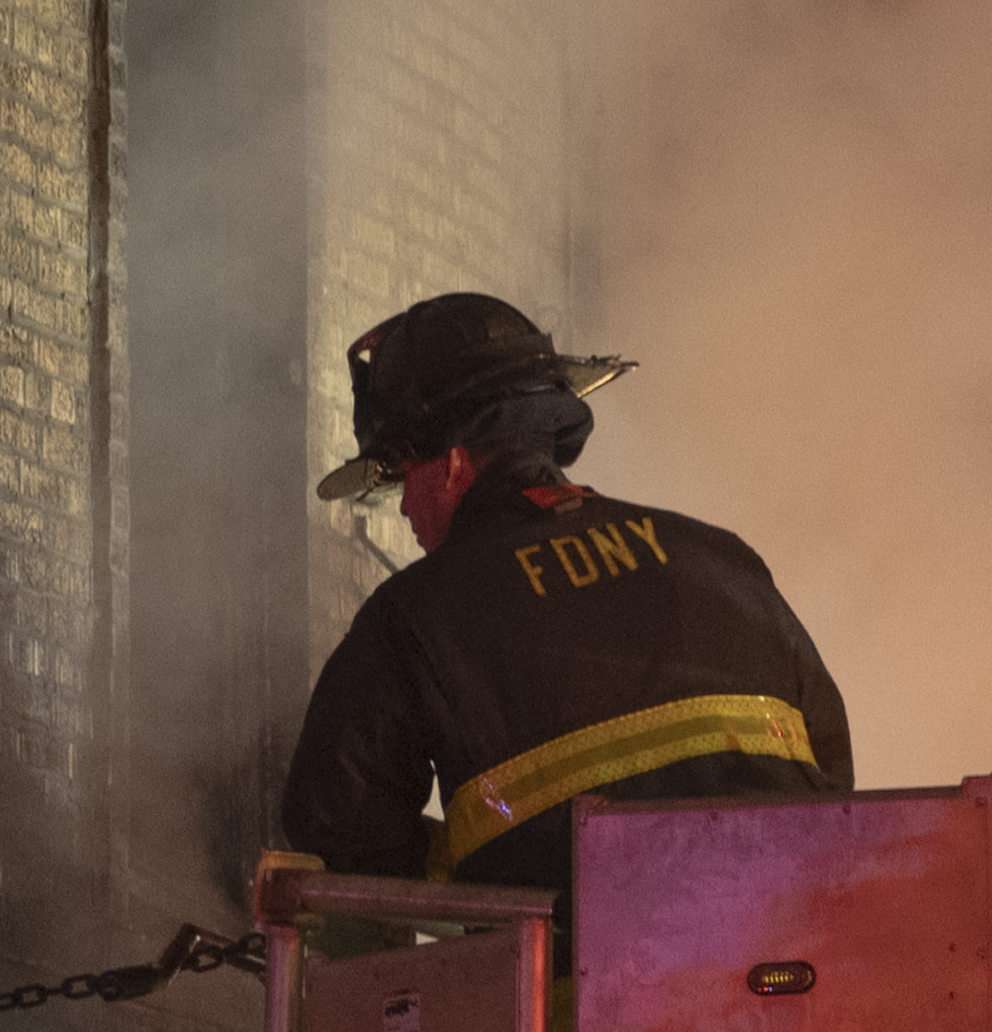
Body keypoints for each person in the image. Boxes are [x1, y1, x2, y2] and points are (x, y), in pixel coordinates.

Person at [275, 291, 854, 893]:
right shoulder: (724, 558)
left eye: (401, 475)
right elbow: (833, 783)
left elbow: (334, 820)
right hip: (791, 941)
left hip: (581, 957)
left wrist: (480, 879)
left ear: (452, 462)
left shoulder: (414, 616)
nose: (402, 509)